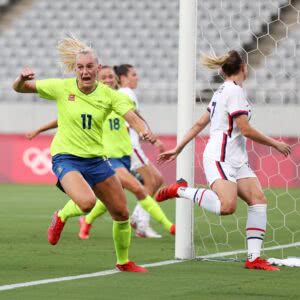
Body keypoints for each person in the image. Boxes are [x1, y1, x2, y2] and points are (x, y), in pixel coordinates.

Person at [13, 35, 156, 272]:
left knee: (121, 212)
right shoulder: (62, 87)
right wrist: (21, 79)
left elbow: (131, 117)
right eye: (80, 67)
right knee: (88, 203)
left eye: (90, 67)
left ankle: (123, 262)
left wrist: (144, 131)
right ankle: (60, 216)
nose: (85, 71)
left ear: (98, 69)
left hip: (96, 160)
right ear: (75, 69)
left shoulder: (109, 95)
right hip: (66, 157)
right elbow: (20, 89)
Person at [155, 50, 291, 271]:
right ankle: (180, 190)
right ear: (243, 68)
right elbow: (245, 130)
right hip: (221, 157)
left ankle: (254, 258)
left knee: (258, 200)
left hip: (237, 159)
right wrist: (275, 143)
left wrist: (178, 148)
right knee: (227, 207)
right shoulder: (234, 92)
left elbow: (200, 124)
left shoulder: (222, 91)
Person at [26, 66, 175, 240]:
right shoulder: (93, 98)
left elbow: (136, 117)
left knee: (106, 204)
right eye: (104, 78)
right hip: (107, 157)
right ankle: (169, 227)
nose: (108, 80)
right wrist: (39, 129)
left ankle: (82, 221)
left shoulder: (116, 99)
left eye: (111, 77)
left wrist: (150, 136)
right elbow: (63, 119)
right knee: (138, 189)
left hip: (124, 155)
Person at [113, 64, 167, 237]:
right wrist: (151, 139)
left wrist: (151, 137)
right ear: (122, 78)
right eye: (133, 74)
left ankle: (137, 218)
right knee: (151, 181)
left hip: (132, 145)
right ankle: (141, 224)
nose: (137, 77)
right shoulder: (125, 93)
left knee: (157, 179)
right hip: (130, 146)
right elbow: (130, 123)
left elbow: (136, 119)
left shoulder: (125, 94)